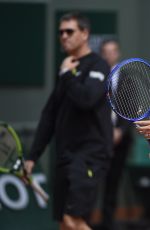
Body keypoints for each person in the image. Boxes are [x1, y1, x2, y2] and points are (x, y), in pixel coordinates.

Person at [24, 12, 113, 230]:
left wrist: (66, 74)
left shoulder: (99, 66)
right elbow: (50, 115)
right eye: (61, 32)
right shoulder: (66, 69)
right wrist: (33, 157)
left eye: (69, 31)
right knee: (64, 223)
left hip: (89, 155)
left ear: (84, 34)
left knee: (74, 220)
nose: (64, 36)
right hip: (66, 155)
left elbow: (87, 99)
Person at [94, 39, 133, 230]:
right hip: (97, 140)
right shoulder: (94, 77)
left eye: (113, 51)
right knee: (92, 182)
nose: (109, 54)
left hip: (121, 142)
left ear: (117, 53)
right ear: (102, 54)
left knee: (113, 184)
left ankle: (108, 224)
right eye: (105, 51)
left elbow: (133, 108)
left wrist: (120, 131)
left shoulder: (128, 78)